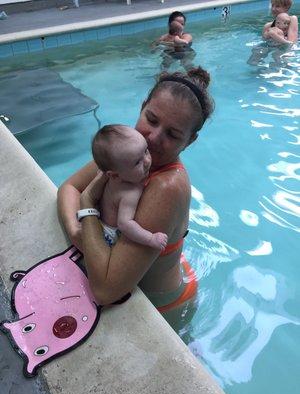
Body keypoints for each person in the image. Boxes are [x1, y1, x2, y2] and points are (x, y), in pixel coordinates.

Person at [57, 67, 214, 329]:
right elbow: (68, 188)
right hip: (147, 266)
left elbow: (106, 290)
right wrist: (75, 230)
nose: (153, 138)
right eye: (151, 119)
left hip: (161, 305)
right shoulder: (128, 149)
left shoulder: (167, 187)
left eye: (173, 134)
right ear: (142, 107)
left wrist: (86, 207)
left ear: (190, 140)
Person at [89, 124, 168, 250]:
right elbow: (125, 224)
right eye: (137, 162)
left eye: (146, 151)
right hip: (108, 235)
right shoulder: (129, 192)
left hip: (99, 218)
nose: (147, 161)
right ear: (114, 175)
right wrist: (150, 238)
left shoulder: (118, 175)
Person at [247, 0, 298, 66]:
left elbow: (291, 42)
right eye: (272, 6)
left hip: (285, 47)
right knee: (257, 53)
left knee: (278, 56)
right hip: (271, 45)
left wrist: (275, 36)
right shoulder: (268, 26)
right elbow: (264, 41)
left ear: (286, 7)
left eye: (277, 6)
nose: (273, 9)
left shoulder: (292, 19)